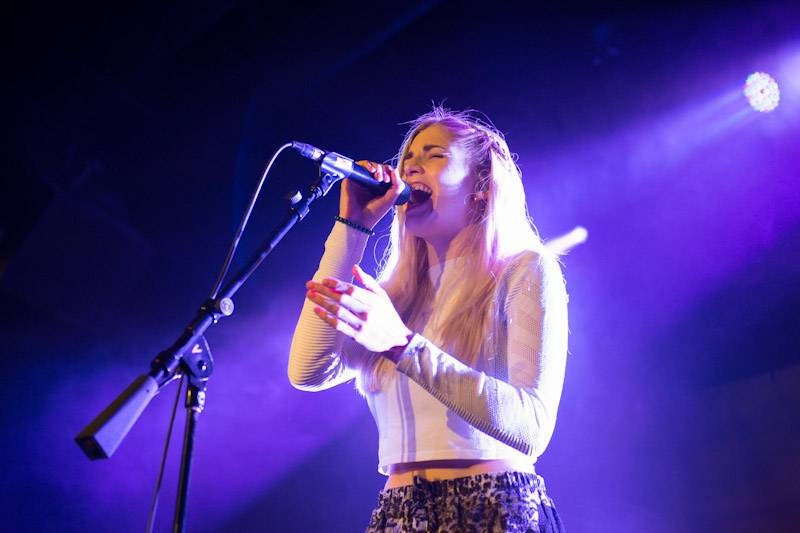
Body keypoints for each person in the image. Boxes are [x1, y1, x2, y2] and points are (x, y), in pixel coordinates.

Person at [289, 107, 568, 532]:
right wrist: (351, 226)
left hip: (493, 507)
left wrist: (403, 346)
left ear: (481, 186)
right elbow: (307, 371)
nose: (410, 166)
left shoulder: (524, 270)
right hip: (400, 512)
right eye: (408, 158)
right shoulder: (392, 299)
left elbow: (532, 428)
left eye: (434, 155)